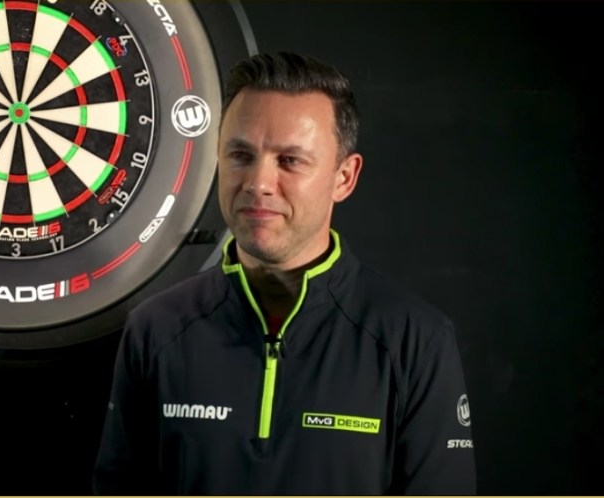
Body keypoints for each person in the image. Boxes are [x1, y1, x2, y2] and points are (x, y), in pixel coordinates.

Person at [93, 51, 476, 495]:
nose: (258, 182)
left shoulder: (414, 339)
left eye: (290, 160)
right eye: (240, 154)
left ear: (344, 177)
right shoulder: (155, 329)